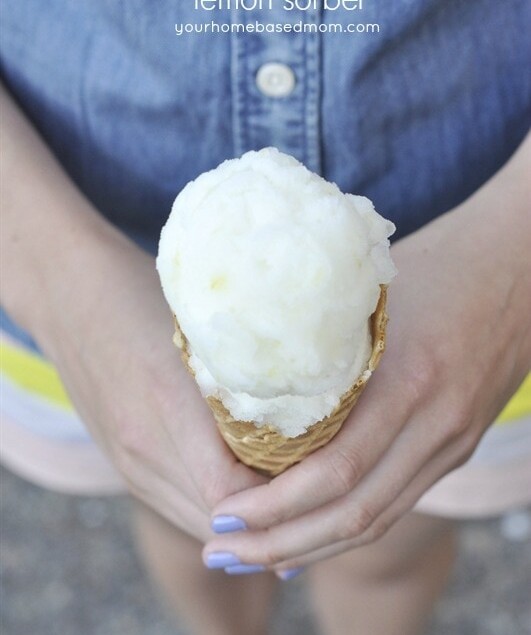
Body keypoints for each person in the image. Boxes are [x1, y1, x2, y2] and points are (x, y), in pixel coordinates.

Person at [1, 2, 530, 634]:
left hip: (476, 277)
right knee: (189, 530)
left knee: (390, 555)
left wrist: (515, 256)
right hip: (77, 235)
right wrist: (57, 280)